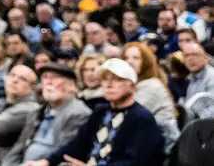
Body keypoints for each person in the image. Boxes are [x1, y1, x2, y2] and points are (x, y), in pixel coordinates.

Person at [21, 59, 163, 166]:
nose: (109, 84)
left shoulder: (142, 119)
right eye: (105, 79)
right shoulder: (101, 111)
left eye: (117, 79)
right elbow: (77, 144)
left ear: (132, 86)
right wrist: (47, 162)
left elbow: (135, 162)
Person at [3, 66, 89, 166]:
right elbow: (18, 148)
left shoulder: (78, 113)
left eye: (54, 77)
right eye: (45, 77)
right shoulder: (37, 112)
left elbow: (63, 155)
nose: (48, 82)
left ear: (70, 85)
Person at [120, 41, 180, 149]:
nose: (129, 62)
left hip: (161, 146)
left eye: (136, 58)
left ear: (145, 63)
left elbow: (127, 120)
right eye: (126, 58)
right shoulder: (130, 85)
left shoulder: (151, 86)